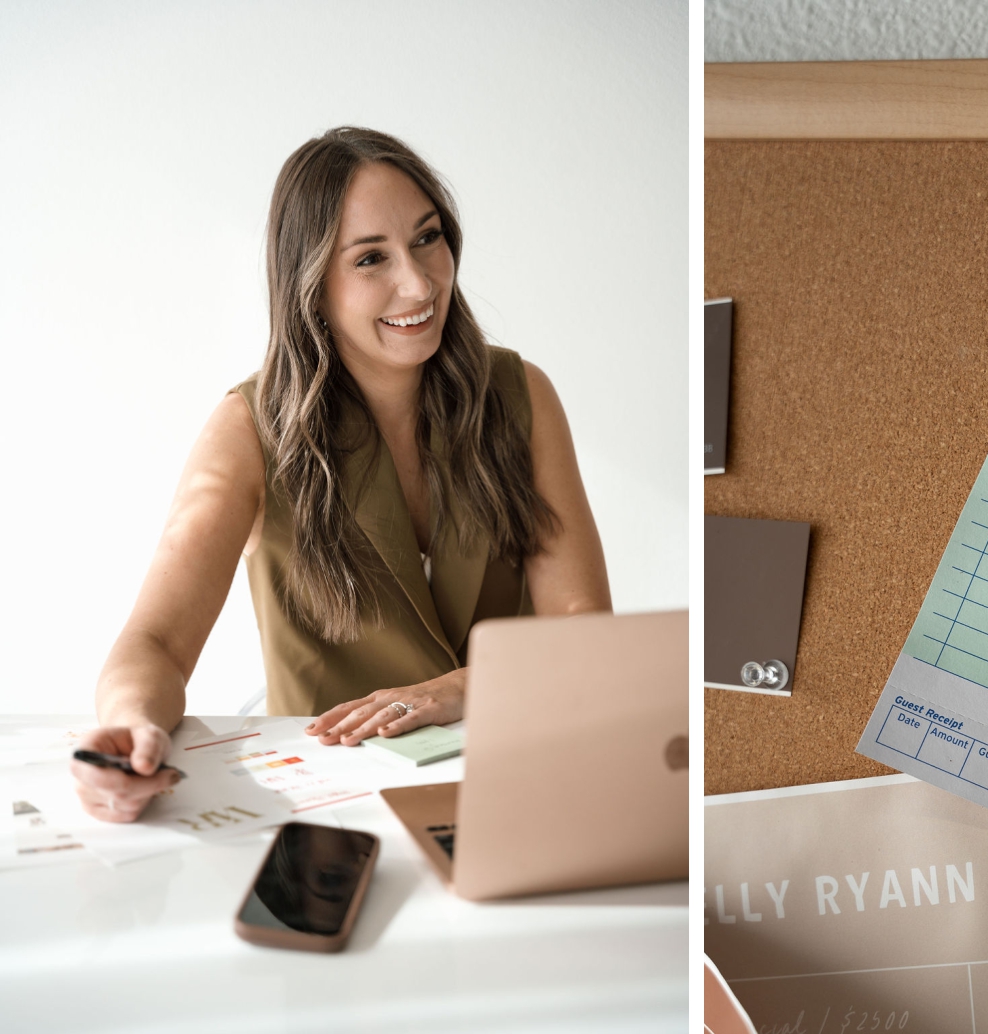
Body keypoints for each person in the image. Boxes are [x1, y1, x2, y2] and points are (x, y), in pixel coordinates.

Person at [71, 127, 611, 822]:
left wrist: (465, 687)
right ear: (312, 285)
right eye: (370, 259)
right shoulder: (248, 430)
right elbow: (157, 643)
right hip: (334, 804)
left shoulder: (519, 392)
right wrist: (132, 726)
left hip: (521, 775)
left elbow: (587, 632)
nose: (419, 282)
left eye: (427, 238)